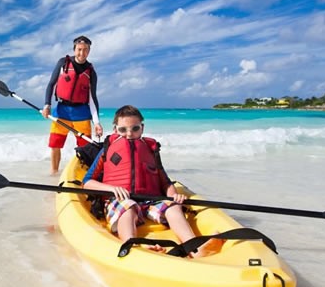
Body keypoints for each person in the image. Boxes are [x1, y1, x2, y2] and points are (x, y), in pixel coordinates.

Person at [83, 105, 223, 258]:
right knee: (128, 207)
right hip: (121, 199)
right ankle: (132, 243)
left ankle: (194, 247)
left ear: (142, 128)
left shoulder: (150, 149)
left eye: (135, 128)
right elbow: (87, 181)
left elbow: (166, 183)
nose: (129, 134)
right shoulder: (107, 149)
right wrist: (110, 188)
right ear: (115, 129)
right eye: (123, 130)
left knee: (173, 207)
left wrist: (173, 196)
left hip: (150, 200)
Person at [42, 35, 103, 175]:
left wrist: (97, 123)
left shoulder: (91, 72)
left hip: (81, 114)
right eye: (79, 49)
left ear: (89, 51)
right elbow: (51, 84)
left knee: (85, 148)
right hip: (61, 112)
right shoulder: (63, 63)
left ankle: (81, 174)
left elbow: (92, 99)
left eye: (86, 50)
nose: (82, 53)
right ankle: (54, 173)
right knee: (55, 145)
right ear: (74, 49)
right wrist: (47, 105)